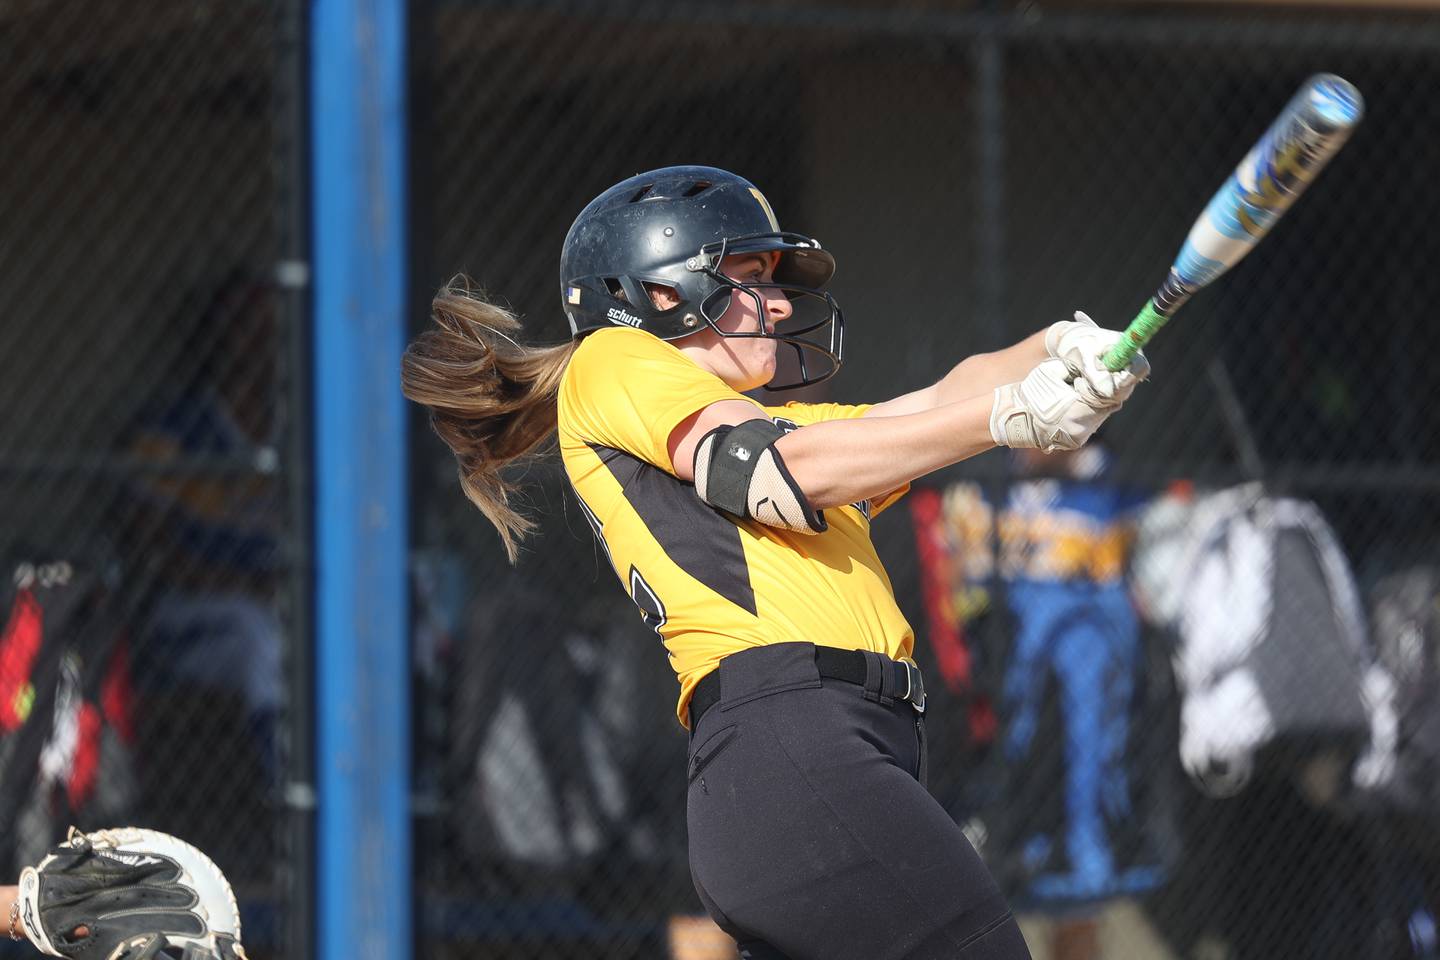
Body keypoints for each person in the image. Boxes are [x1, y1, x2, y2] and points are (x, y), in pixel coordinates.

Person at [402, 165, 1150, 960]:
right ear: (658, 293)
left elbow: (926, 409)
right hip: (793, 740)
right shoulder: (615, 358)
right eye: (750, 276)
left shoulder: (781, 427)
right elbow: (773, 472)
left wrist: (1053, 351)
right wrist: (1010, 417)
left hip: (829, 753)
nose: (783, 303)